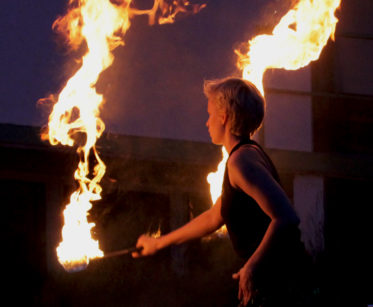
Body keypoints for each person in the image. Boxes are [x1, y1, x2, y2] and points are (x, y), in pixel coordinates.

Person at [134, 77, 313, 306]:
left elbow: (287, 217)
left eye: (210, 115)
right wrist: (158, 243)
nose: (207, 123)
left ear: (224, 117)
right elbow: (213, 217)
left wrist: (251, 267)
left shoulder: (241, 162)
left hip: (286, 286)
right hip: (276, 283)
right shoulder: (243, 156)